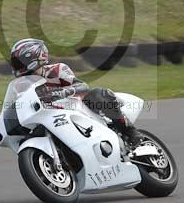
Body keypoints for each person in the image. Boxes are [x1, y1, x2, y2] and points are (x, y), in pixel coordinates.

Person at [9, 38, 142, 144]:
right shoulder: (20, 86)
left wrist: (64, 92)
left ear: (35, 57)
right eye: (16, 63)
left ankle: (129, 131)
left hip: (77, 109)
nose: (18, 66)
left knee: (97, 94)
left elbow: (83, 86)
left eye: (20, 61)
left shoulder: (57, 69)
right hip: (49, 117)